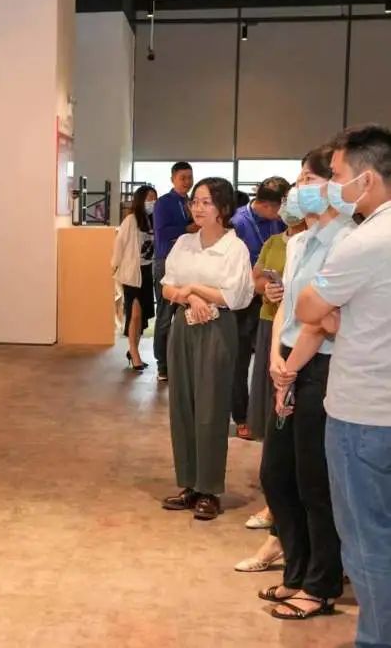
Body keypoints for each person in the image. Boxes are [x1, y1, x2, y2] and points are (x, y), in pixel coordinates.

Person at [296, 125, 391, 646]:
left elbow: (309, 307)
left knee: (366, 542)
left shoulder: (366, 239)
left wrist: (334, 312)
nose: (329, 188)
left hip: (363, 415)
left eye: (335, 178)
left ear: (367, 179)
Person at [258, 147, 353, 620]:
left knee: (315, 482)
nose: (298, 192)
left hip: (319, 369)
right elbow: (288, 312)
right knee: (277, 475)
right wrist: (277, 361)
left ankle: (321, 584)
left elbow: (321, 319)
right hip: (288, 363)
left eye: (309, 180)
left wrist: (290, 370)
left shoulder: (345, 240)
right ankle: (295, 571)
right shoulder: (298, 242)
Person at [160, 178, 254, 520]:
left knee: (211, 408)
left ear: (223, 208)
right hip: (184, 325)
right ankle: (189, 483)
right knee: (182, 406)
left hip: (217, 328)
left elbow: (236, 296)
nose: (197, 208)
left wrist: (196, 288)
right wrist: (192, 296)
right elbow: (167, 285)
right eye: (195, 201)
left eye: (206, 202)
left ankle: (210, 488)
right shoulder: (184, 242)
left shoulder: (235, 249)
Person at [235, 184, 307, 572]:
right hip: (273, 330)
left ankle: (282, 523)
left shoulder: (329, 243)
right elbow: (257, 281)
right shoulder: (278, 243)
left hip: (306, 348)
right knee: (271, 422)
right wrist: (270, 289)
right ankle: (277, 514)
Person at [230, 177, 289, 439]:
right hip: (244, 301)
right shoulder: (239, 222)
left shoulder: (279, 223)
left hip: (270, 301)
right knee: (240, 360)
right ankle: (241, 416)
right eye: (279, 207)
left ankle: (265, 412)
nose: (282, 214)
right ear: (265, 204)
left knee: (269, 359)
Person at [152, 162, 197, 382]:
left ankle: (180, 362)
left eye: (190, 177)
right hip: (165, 262)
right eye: (183, 178)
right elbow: (161, 233)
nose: (187, 182)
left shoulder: (192, 203)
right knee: (164, 315)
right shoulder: (164, 203)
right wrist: (186, 229)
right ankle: (162, 365)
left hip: (187, 263)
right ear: (173, 179)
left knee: (185, 313)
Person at [111, 185, 157, 370]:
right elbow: (119, 244)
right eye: (149, 198)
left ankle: (133, 349)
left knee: (142, 316)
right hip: (131, 273)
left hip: (147, 272)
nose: (152, 202)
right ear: (140, 200)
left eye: (154, 198)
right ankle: (134, 353)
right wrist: (114, 266)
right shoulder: (130, 220)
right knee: (135, 314)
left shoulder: (154, 220)